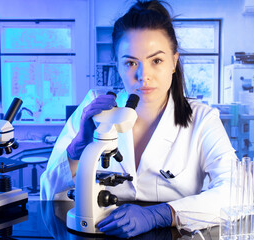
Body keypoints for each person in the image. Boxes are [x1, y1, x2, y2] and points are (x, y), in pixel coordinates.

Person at [41, 0, 236, 238]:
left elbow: (234, 193)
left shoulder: (202, 119)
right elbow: (49, 195)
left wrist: (162, 214)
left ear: (174, 62)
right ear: (118, 65)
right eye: (131, 62)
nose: (143, 76)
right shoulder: (94, 105)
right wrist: (76, 150)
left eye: (156, 60)